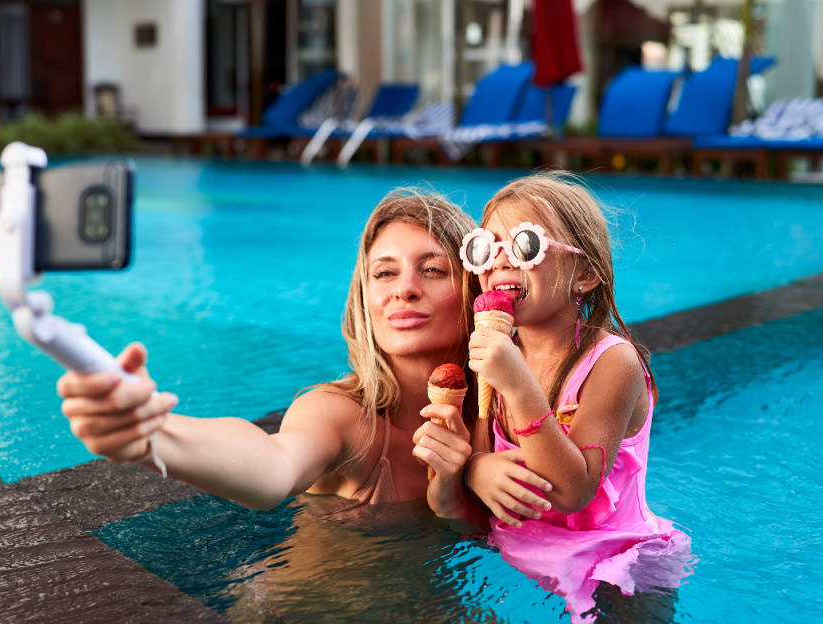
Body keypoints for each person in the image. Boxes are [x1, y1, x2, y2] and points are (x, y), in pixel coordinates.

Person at [56, 188, 554, 530]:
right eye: (383, 274)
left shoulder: (509, 417)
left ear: (474, 287)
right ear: (365, 297)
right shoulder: (340, 415)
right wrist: (155, 434)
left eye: (432, 269)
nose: (404, 289)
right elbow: (272, 465)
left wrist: (453, 487)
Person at [460, 172, 692, 622]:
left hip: (615, 564)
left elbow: (572, 491)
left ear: (584, 273)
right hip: (523, 554)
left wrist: (520, 388)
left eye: (526, 246)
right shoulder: (498, 352)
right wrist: (475, 469)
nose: (500, 263)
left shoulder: (613, 364)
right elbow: (479, 449)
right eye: (485, 249)